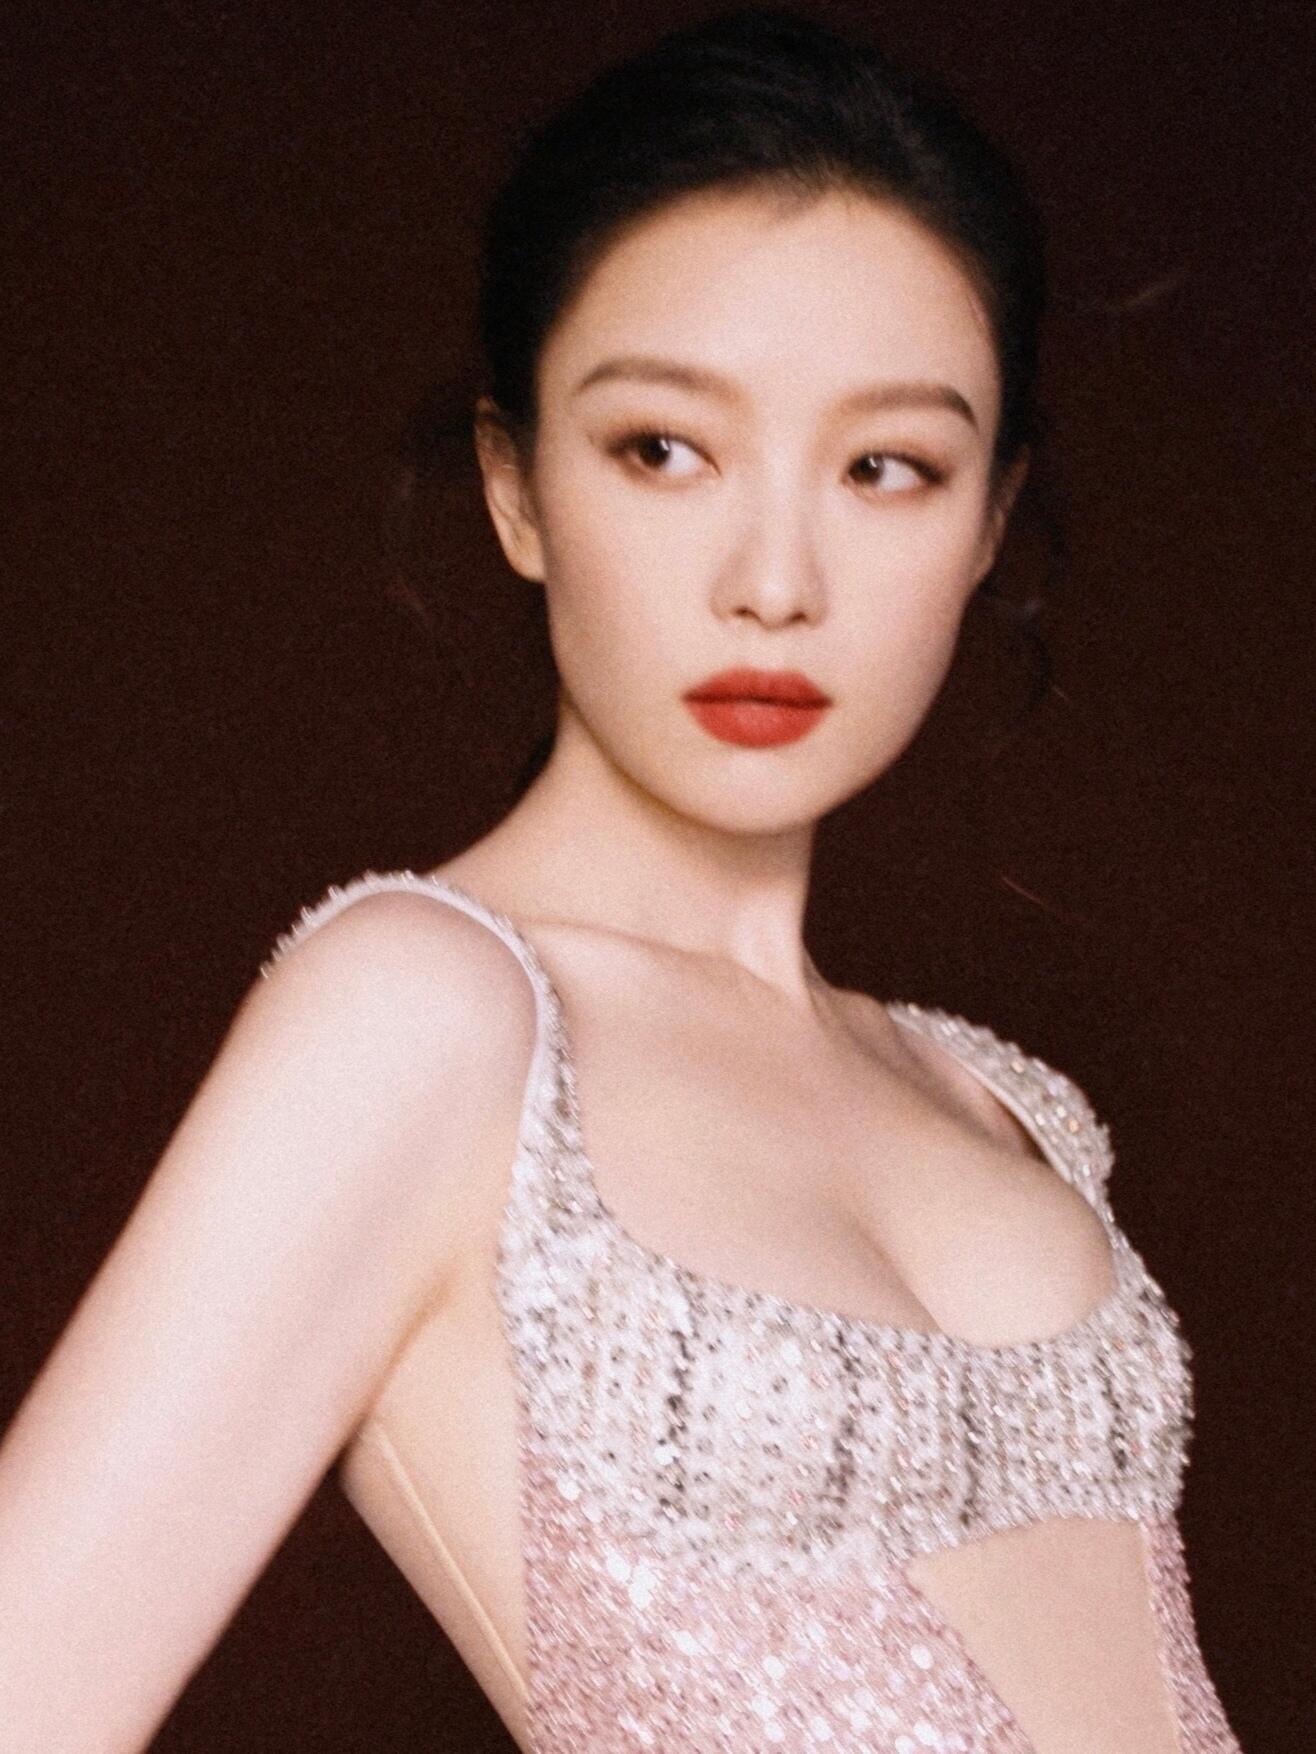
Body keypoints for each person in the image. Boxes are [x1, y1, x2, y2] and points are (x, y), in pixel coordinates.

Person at [0, 7, 1244, 1750]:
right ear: (515, 487)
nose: (774, 580)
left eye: (886, 467)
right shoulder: (428, 1012)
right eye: (664, 446)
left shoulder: (1007, 1105)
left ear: (987, 519)